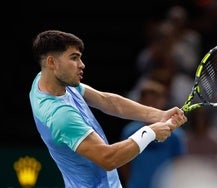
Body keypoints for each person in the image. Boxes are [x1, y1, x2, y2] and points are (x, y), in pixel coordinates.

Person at [29, 30, 187, 188]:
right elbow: (108, 158)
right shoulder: (60, 116)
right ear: (51, 62)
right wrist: (150, 132)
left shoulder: (48, 81)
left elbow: (108, 101)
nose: (82, 64)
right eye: (74, 58)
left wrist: (160, 115)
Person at [119, 78, 187, 188]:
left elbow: (179, 165)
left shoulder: (176, 135)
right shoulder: (129, 131)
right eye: (149, 101)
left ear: (163, 102)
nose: (152, 105)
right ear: (140, 102)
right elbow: (123, 164)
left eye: (156, 101)